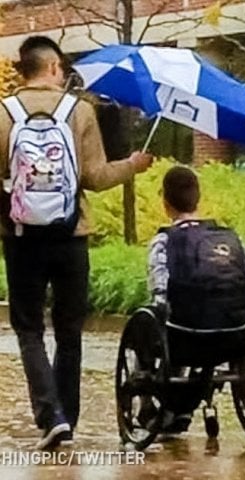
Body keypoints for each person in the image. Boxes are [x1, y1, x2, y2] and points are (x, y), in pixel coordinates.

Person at [0, 36, 152, 450]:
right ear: (52, 67)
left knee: (29, 329)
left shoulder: (2, 113)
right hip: (72, 237)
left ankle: (51, 416)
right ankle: (67, 416)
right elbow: (96, 178)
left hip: (19, 237)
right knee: (70, 331)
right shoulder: (79, 111)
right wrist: (133, 165)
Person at [146, 166, 245, 432]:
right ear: (198, 199)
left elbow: (159, 290)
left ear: (165, 203)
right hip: (235, 333)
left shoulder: (164, 241)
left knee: (153, 319)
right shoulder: (227, 236)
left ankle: (157, 405)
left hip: (185, 337)